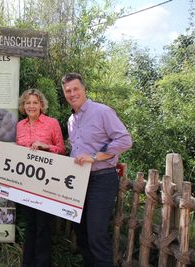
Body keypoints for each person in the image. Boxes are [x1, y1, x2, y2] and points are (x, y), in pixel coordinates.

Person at [61, 73, 132, 267]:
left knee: (96, 235)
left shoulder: (102, 111)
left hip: (102, 178)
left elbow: (125, 140)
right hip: (78, 181)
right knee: (81, 232)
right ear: (64, 94)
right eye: (68, 91)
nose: (72, 93)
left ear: (84, 89)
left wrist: (95, 157)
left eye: (76, 89)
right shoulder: (71, 121)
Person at [16, 89, 66, 267]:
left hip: (45, 182)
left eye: (35, 102)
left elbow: (61, 149)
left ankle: (42, 264)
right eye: (28, 103)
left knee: (43, 225)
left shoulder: (52, 123)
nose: (31, 106)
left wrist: (45, 146)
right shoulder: (20, 125)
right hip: (26, 182)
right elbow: (17, 151)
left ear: (41, 105)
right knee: (30, 224)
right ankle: (27, 263)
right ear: (23, 105)